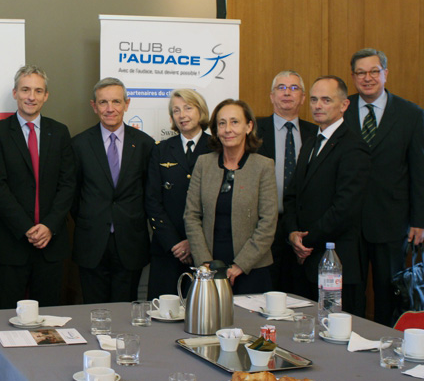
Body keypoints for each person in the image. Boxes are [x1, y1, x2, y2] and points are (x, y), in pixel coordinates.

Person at [343, 49, 424, 325]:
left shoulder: (411, 114)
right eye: (360, 72)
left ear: (385, 74)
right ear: (354, 76)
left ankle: (385, 348)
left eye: (374, 71)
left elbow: (420, 170)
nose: (367, 78)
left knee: (388, 293)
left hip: (392, 221)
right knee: (350, 293)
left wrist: (420, 220)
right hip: (349, 221)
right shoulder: (341, 109)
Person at [0, 65, 76, 308]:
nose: (31, 97)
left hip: (51, 243)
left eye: (38, 91)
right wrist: (27, 228)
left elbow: (68, 185)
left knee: (48, 319)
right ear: (15, 93)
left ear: (46, 96)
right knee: (5, 319)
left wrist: (48, 226)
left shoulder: (60, 132)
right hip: (12, 243)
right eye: (25, 89)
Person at [284, 76, 371, 314]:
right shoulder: (311, 142)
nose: (317, 105)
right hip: (305, 261)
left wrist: (306, 242)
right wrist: (292, 234)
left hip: (336, 261)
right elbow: (292, 196)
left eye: (326, 100)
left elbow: (345, 208)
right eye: (313, 99)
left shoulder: (354, 147)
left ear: (344, 105)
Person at [71, 78, 154, 303]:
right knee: (94, 310)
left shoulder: (145, 144)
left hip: (131, 241)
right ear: (94, 105)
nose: (110, 109)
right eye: (103, 102)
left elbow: (150, 193)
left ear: (127, 104)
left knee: (125, 311)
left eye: (116, 102)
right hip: (92, 241)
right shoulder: (78, 144)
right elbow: (73, 195)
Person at [183, 99, 277, 294]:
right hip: (208, 270)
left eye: (235, 122)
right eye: (222, 123)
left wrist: (241, 265)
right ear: (216, 130)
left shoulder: (263, 166)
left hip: (252, 270)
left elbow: (268, 222)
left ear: (248, 126)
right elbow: (191, 215)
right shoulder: (203, 163)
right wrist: (206, 263)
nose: (228, 129)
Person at [145, 89, 211, 300]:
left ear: (200, 111)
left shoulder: (217, 148)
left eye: (188, 108)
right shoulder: (161, 149)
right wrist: (175, 243)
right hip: (167, 248)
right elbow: (152, 200)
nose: (182, 115)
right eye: (176, 110)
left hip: (205, 249)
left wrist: (194, 242)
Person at [256, 71, 318, 292]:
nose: (287, 93)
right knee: (266, 289)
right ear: (272, 96)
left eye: (294, 88)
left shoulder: (316, 133)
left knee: (300, 291)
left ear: (302, 98)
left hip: (303, 227)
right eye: (281, 87)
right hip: (263, 224)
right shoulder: (253, 130)